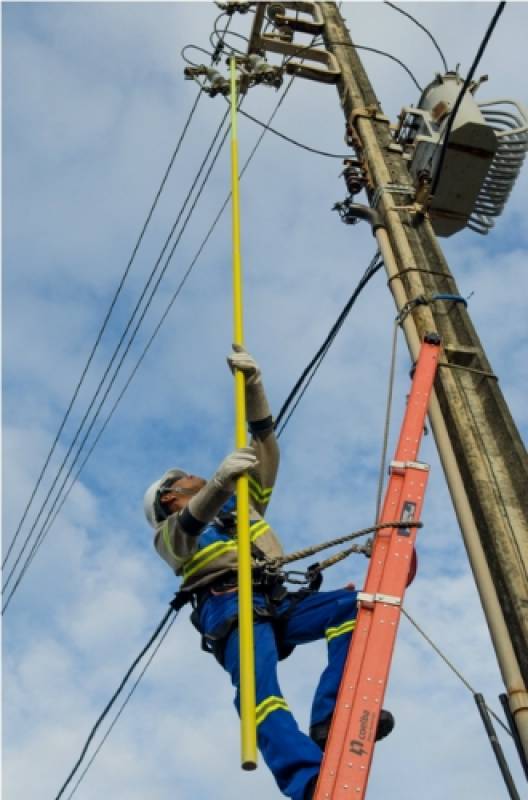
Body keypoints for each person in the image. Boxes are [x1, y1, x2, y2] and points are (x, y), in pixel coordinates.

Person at [144, 345, 393, 800]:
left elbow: (265, 448)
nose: (200, 477)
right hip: (230, 608)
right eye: (191, 480)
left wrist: (255, 389)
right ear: (169, 498)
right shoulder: (169, 536)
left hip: (275, 600)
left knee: (355, 609)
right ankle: (306, 778)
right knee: (262, 695)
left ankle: (332, 715)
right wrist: (218, 483)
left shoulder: (242, 511)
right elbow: (192, 521)